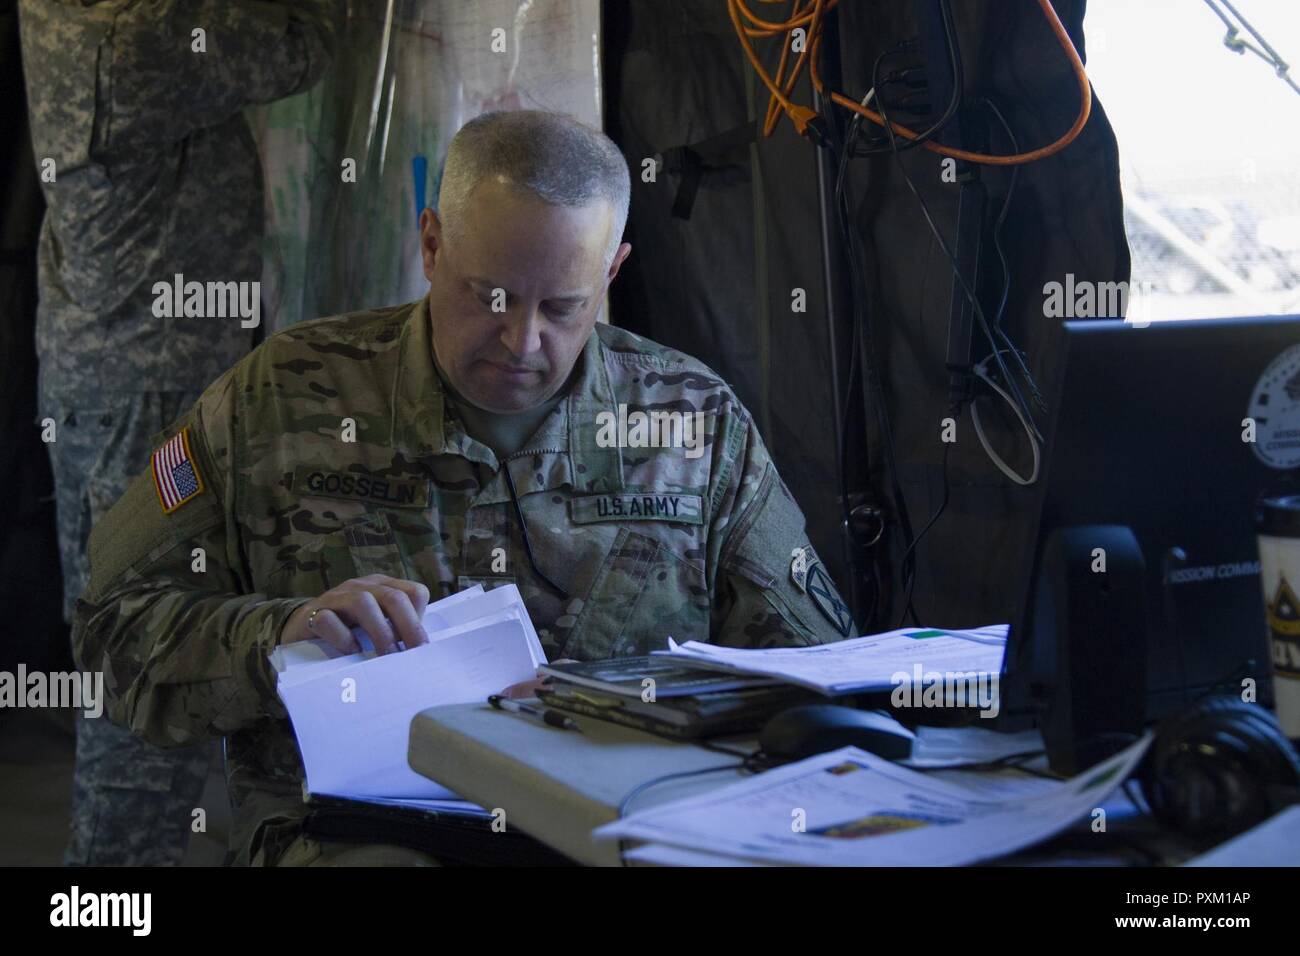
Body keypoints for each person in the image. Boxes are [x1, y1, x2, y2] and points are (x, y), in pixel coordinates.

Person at [73, 109, 856, 867]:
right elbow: (111, 639)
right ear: (431, 244)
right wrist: (281, 637)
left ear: (612, 272)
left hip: (614, 830)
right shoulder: (282, 398)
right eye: (492, 298)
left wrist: (639, 707)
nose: (522, 341)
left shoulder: (692, 422)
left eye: (562, 307)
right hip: (361, 835)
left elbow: (823, 674)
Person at [20, 0, 343, 865]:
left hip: (121, 377)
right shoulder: (139, 32)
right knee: (145, 676)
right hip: (145, 391)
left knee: (125, 668)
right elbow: (299, 40)